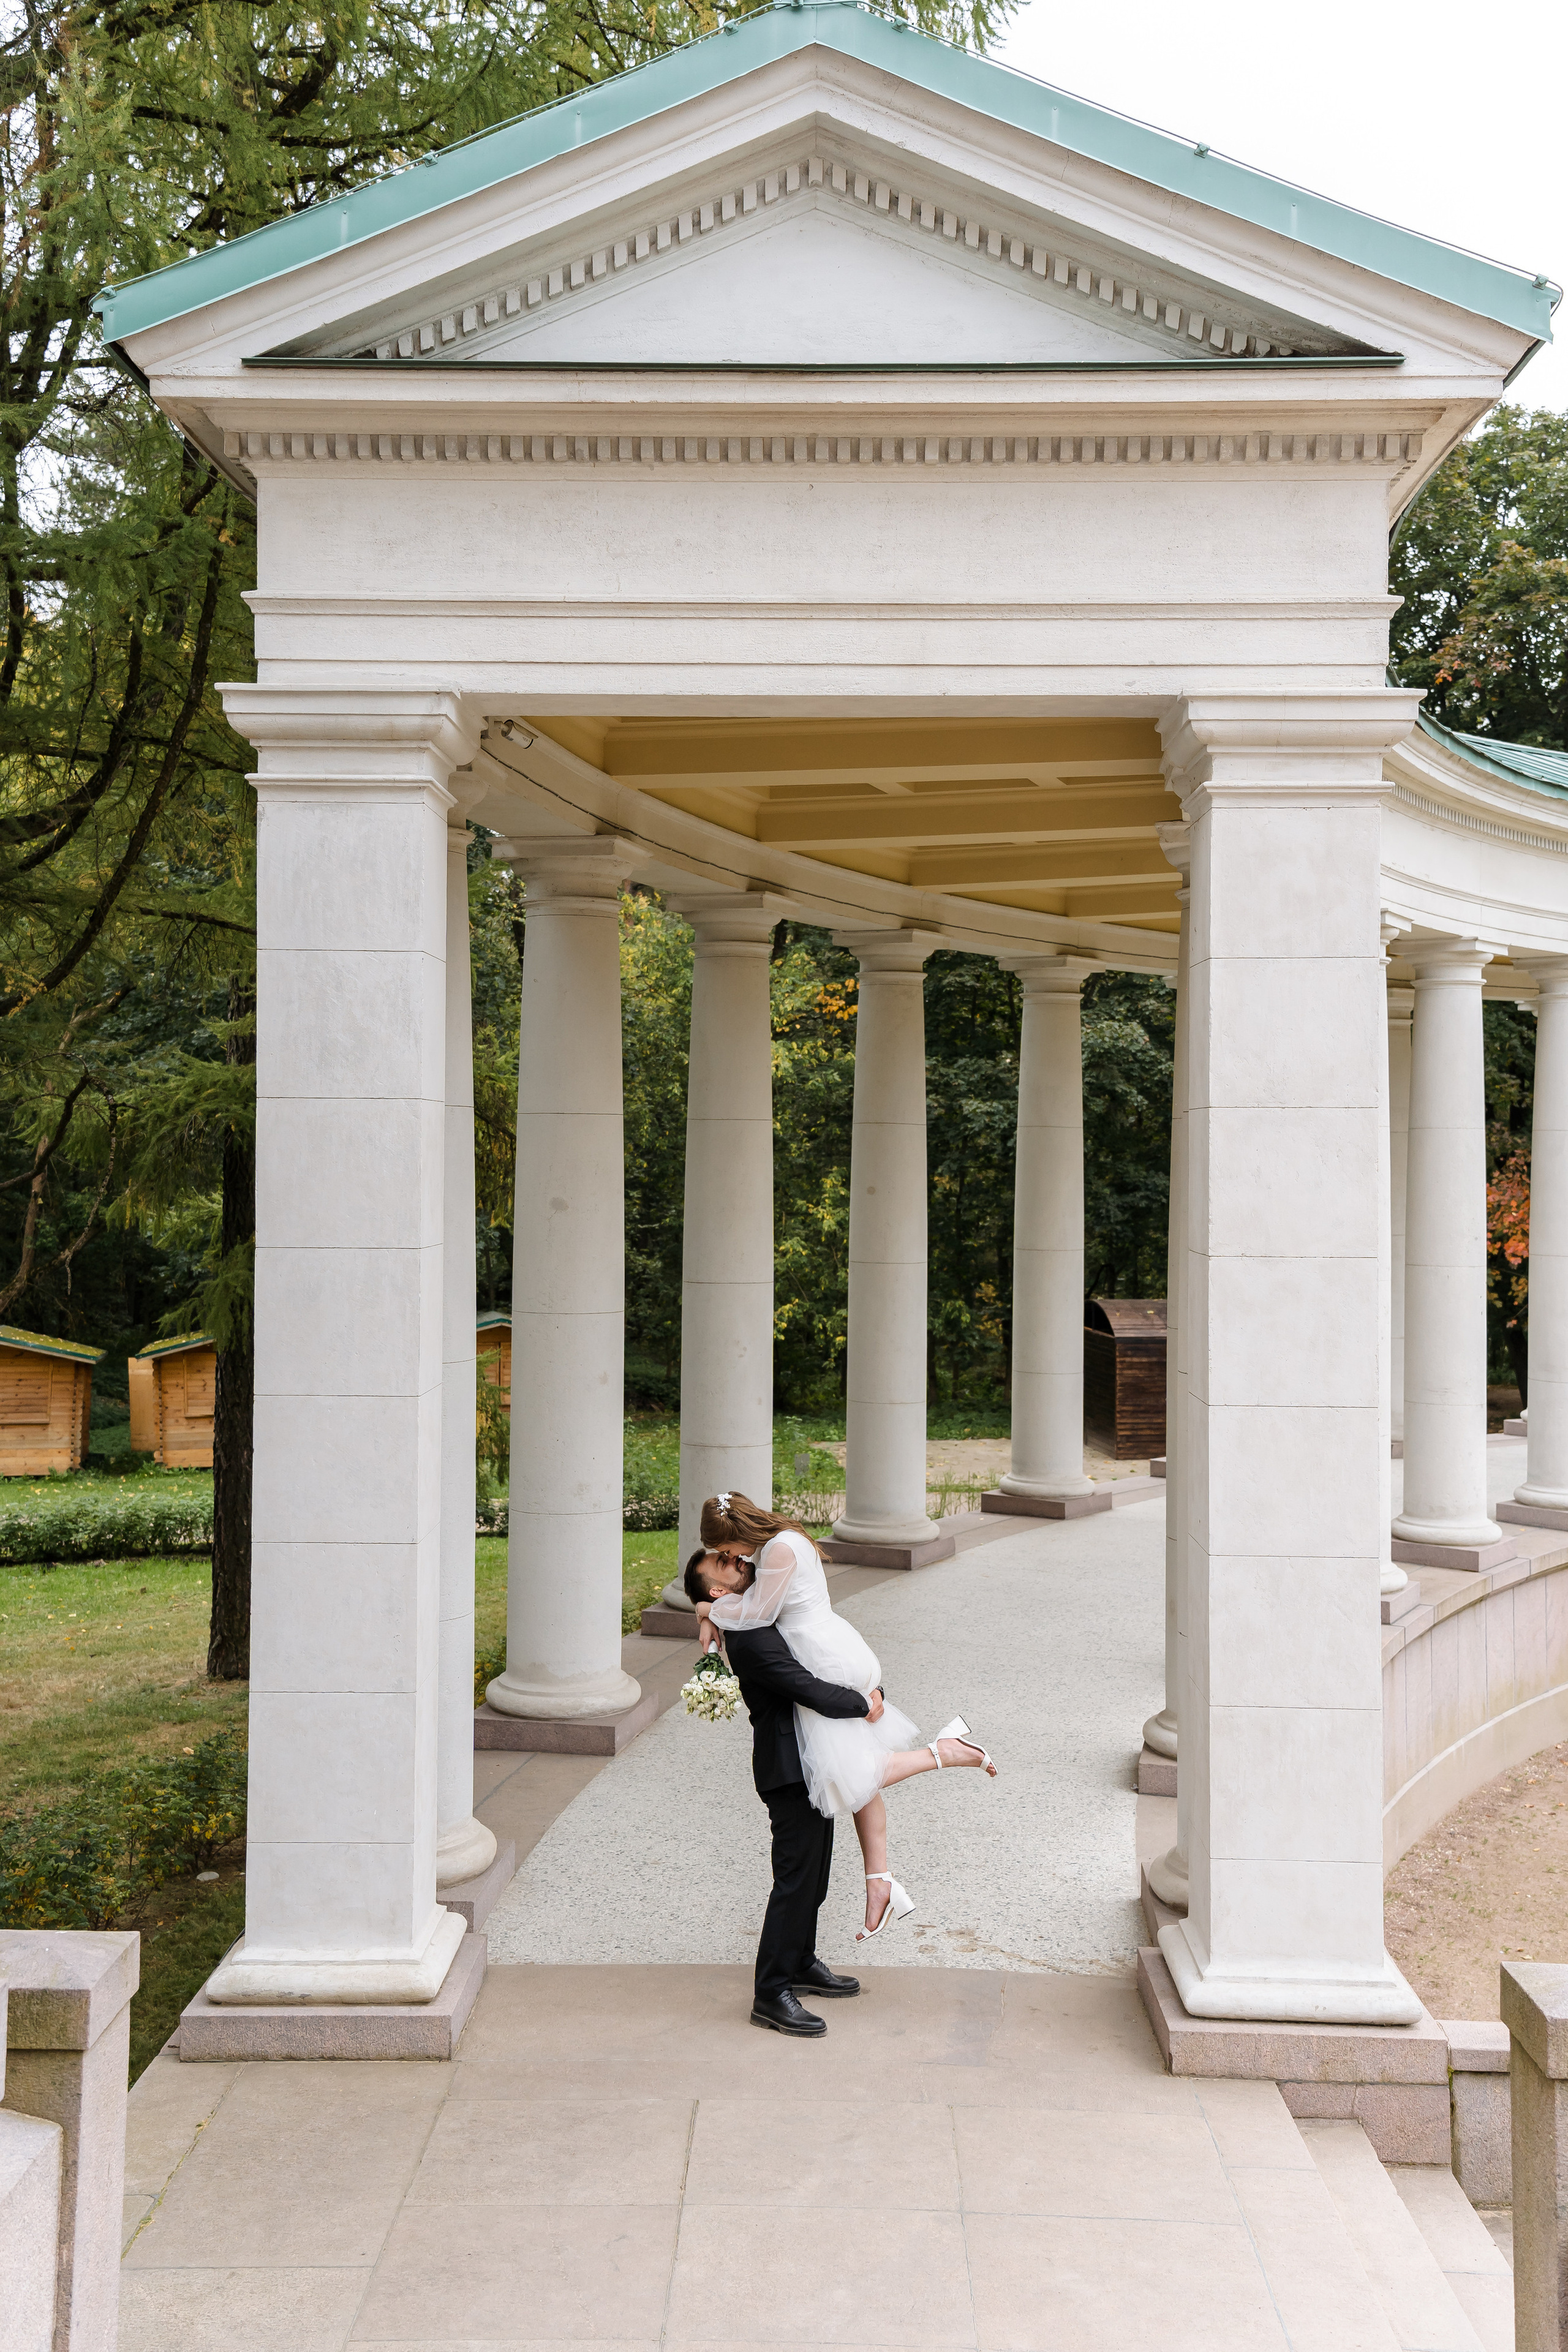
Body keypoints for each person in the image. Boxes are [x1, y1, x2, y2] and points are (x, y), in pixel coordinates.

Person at [684, 1491, 997, 2014]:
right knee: (795, 1879)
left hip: (810, 1754)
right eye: (725, 1561)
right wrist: (864, 1703)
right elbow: (805, 1687)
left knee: (816, 1874)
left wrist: (705, 1608)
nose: (738, 1560)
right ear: (720, 1586)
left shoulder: (759, 1604)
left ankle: (801, 1961)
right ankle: (771, 1993)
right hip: (788, 1767)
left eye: (731, 1552)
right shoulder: (751, 1637)